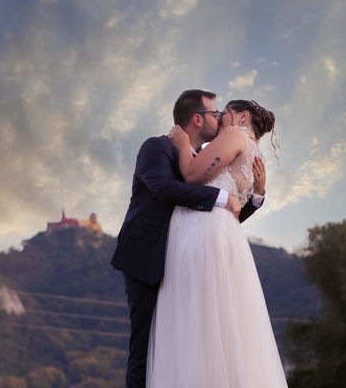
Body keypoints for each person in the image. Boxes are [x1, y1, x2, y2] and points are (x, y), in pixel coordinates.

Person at [110, 90, 267, 388]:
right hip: (149, 259)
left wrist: (256, 196)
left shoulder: (206, 161)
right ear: (197, 119)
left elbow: (221, 220)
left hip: (188, 258)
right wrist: (221, 196)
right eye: (215, 113)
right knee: (147, 346)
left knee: (197, 340)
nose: (221, 118)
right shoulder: (157, 147)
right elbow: (163, 188)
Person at [146, 99, 287, 388]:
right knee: (222, 320)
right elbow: (234, 207)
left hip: (203, 230)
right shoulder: (253, 154)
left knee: (198, 317)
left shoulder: (234, 135)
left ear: (242, 117)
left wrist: (183, 144)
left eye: (226, 113)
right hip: (223, 232)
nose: (222, 118)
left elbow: (193, 175)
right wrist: (258, 194)